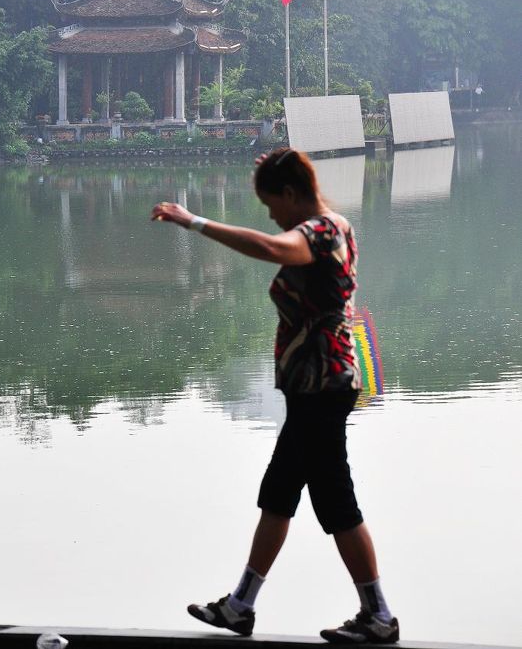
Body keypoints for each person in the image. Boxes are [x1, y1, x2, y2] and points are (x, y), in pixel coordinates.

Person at [151, 148, 399, 645]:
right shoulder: (332, 226)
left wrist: (192, 221)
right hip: (314, 388)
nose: (270, 216)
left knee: (335, 502)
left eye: (272, 204)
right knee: (280, 494)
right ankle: (240, 606)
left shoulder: (322, 232)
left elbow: (269, 247)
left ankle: (379, 616)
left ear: (291, 194)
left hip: (323, 387)